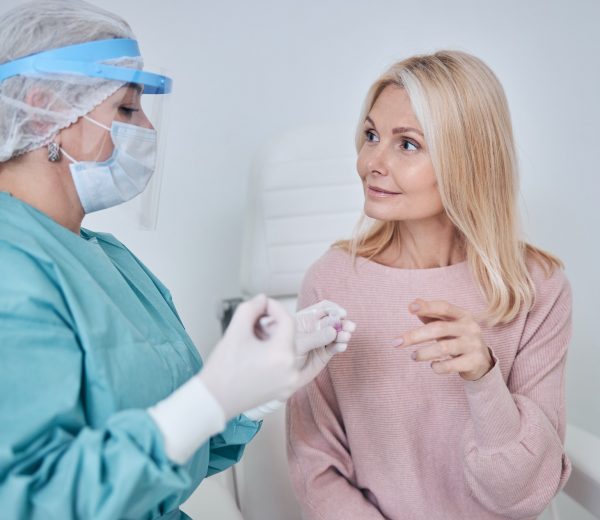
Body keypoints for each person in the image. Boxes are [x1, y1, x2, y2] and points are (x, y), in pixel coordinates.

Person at [0, 1, 355, 519]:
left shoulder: (109, 258)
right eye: (125, 109)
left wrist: (241, 398)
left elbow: (166, 462)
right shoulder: (11, 268)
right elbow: (33, 502)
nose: (145, 127)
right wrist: (209, 400)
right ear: (42, 106)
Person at [286, 50, 572, 520]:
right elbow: (315, 466)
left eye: (408, 144)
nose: (371, 162)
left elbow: (522, 495)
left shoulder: (536, 287)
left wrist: (483, 379)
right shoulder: (332, 281)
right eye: (372, 135)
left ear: (468, 160)